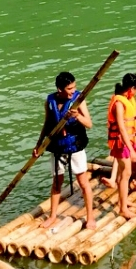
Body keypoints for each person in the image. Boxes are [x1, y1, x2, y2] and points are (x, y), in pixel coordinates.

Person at [33, 71, 96, 231]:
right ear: (59, 89)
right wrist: (39, 145)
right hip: (57, 147)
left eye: (74, 87)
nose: (73, 91)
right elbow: (47, 123)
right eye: (69, 88)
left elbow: (89, 124)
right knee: (57, 182)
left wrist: (77, 117)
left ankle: (90, 217)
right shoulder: (51, 100)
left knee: (83, 182)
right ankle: (53, 216)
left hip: (75, 146)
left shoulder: (78, 100)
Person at [107, 73, 136, 219]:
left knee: (123, 174)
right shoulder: (119, 103)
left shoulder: (127, 99)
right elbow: (121, 128)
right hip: (121, 143)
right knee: (126, 174)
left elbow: (131, 123)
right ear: (132, 88)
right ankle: (123, 209)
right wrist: (132, 150)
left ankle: (124, 201)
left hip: (127, 141)